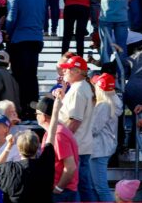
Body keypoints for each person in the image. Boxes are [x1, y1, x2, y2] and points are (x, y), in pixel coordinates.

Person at [0, 106, 58, 203]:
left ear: (19, 149)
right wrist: (56, 108)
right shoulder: (45, 165)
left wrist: (9, 146)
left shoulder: (9, 169)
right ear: (37, 148)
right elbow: (52, 134)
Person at [6, 0, 45, 116]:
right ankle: (33, 107)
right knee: (32, 75)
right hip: (36, 39)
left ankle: (21, 108)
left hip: (20, 40)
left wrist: (7, 33)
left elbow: (11, 17)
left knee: (19, 76)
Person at [58, 55, 95, 202]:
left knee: (77, 187)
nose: (64, 72)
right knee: (83, 186)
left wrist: (61, 141)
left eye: (68, 69)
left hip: (76, 147)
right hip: (80, 145)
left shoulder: (78, 89)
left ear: (77, 71)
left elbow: (74, 122)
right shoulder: (80, 87)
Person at [89, 73, 122, 202]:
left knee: (100, 187)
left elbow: (93, 129)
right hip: (104, 147)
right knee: (97, 187)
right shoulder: (114, 101)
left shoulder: (104, 105)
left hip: (99, 149)